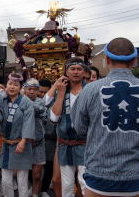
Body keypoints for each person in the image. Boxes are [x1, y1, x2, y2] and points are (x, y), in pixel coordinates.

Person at [72, 37, 139, 197]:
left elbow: (79, 128)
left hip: (99, 172)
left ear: (107, 59)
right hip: (134, 175)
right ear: (133, 60)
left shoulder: (90, 90)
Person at [45, 57, 87, 197]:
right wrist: (61, 92)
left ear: (84, 72)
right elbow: (53, 118)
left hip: (85, 144)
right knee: (66, 185)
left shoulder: (90, 90)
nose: (76, 72)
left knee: (85, 183)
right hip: (65, 145)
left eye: (79, 69)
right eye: (72, 69)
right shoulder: (61, 91)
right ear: (66, 72)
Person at [0, 72, 35, 197]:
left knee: (22, 181)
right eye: (10, 84)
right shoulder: (2, 101)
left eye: (15, 85)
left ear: (20, 88)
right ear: (6, 85)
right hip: (6, 145)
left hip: (21, 144)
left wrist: (24, 141)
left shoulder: (26, 102)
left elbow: (28, 123)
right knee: (6, 181)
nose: (12, 87)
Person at [24, 78, 47, 197]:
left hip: (38, 142)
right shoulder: (18, 101)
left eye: (34, 89)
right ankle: (30, 189)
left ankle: (34, 194)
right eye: (29, 89)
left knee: (37, 175)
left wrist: (22, 100)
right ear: (25, 89)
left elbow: (37, 110)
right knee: (21, 174)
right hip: (22, 143)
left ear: (38, 91)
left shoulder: (40, 102)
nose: (32, 92)